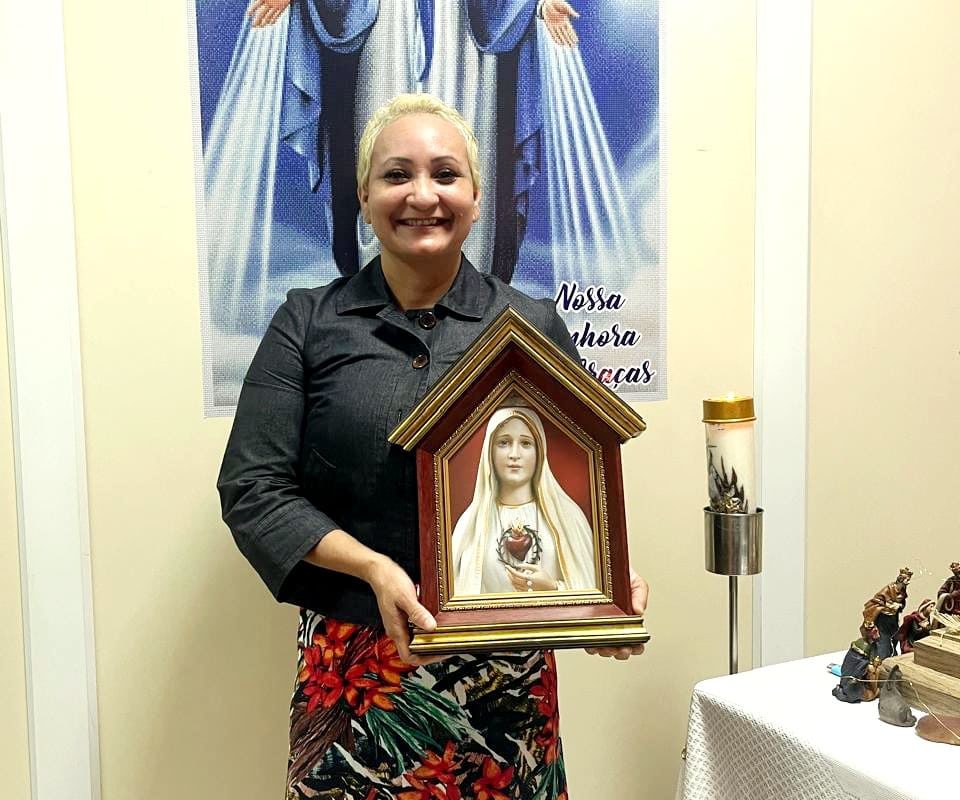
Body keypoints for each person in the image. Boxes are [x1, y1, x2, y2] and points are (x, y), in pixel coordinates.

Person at [218, 93, 648, 799]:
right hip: (358, 677)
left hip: (505, 686)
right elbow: (253, 489)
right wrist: (374, 569)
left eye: (446, 174)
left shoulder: (531, 325)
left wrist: (600, 588)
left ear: (476, 198)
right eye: (397, 175)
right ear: (364, 197)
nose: (423, 195)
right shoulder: (306, 323)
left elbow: (568, 488)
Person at [246, 0, 581, 280]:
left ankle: (469, 284)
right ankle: (377, 290)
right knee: (381, 148)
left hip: (466, 28)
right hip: (382, 24)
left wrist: (538, 5)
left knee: (467, 152)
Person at [452, 405, 596, 595]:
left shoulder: (569, 517)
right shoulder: (470, 524)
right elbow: (454, 595)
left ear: (539, 452)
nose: (514, 454)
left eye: (526, 443)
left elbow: (594, 591)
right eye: (504, 443)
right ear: (489, 452)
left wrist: (553, 588)